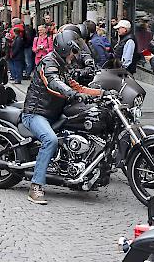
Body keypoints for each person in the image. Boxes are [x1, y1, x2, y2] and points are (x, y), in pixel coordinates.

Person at [22, 30, 106, 205]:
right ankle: (36, 186)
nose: (74, 56)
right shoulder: (49, 63)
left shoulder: (64, 66)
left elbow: (77, 86)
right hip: (35, 113)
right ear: (64, 49)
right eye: (73, 52)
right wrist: (72, 94)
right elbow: (54, 83)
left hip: (53, 113)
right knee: (50, 140)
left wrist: (102, 93)